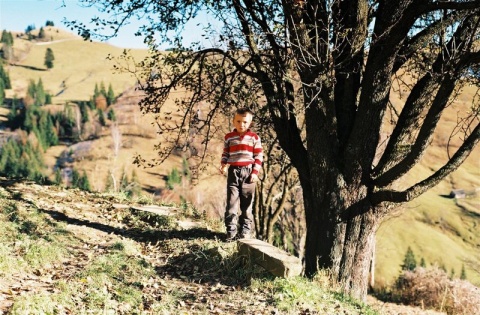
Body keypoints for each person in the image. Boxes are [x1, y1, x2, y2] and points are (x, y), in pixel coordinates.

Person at [220, 107, 263, 241]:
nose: (241, 124)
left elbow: (259, 156)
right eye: (238, 121)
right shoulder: (229, 137)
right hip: (233, 171)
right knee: (232, 202)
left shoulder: (254, 138)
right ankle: (231, 231)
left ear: (250, 123)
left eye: (245, 122)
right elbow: (226, 153)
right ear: (233, 121)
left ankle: (245, 230)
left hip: (248, 172)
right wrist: (223, 165)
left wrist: (255, 172)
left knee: (247, 203)